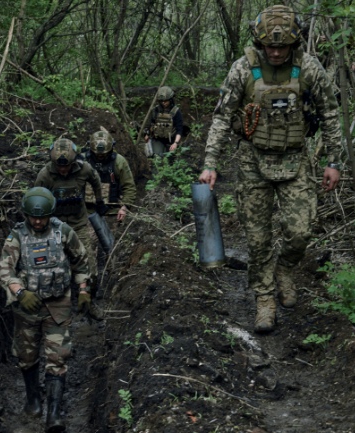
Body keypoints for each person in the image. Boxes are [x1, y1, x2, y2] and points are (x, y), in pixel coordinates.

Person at [198, 5, 342, 333]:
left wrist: (333, 161)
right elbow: (222, 117)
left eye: (282, 47)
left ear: (295, 43)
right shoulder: (242, 69)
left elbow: (330, 114)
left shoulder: (309, 68)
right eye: (269, 46)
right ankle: (264, 298)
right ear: (259, 42)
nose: (275, 52)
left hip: (296, 159)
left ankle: (285, 269)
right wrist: (210, 163)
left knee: (301, 231)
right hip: (253, 161)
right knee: (258, 238)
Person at [0, 187, 91, 433]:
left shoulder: (64, 232)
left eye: (42, 217)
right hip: (27, 308)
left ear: (50, 214)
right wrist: (20, 292)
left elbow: (81, 261)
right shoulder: (17, 236)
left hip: (58, 304)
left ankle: (54, 413)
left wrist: (83, 290)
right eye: (33, 217)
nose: (37, 222)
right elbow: (5, 270)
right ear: (25, 214)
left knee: (58, 356)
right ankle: (33, 399)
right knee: (26, 356)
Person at [35, 138, 107, 317]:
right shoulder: (45, 175)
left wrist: (99, 200)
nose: (63, 170)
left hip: (78, 224)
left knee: (90, 269)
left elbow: (96, 180)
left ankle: (88, 301)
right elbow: (36, 201)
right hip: (54, 227)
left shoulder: (84, 169)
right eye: (59, 166)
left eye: (66, 166)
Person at [84, 129, 137, 224]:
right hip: (86, 210)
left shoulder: (119, 162)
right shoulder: (83, 161)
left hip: (112, 211)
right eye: (97, 155)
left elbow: (129, 187)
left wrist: (124, 207)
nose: (100, 157)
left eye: (104, 155)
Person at [144, 86, 184, 157]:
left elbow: (179, 129)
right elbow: (151, 124)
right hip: (158, 139)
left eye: (166, 101)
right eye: (161, 101)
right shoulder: (155, 110)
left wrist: (175, 143)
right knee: (157, 157)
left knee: (171, 158)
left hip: (172, 140)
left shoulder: (176, 112)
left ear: (170, 99)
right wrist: (147, 135)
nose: (163, 103)